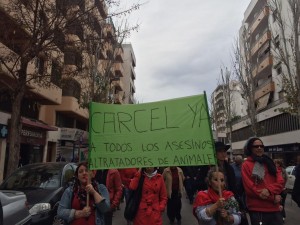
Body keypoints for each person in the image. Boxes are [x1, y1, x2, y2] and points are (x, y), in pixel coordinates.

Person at [242, 137, 284, 225]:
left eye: (261, 146)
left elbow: (280, 181)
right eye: (256, 146)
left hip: (274, 208)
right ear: (250, 148)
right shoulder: (246, 165)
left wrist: (269, 190)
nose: (259, 148)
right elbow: (251, 189)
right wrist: (273, 197)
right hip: (258, 210)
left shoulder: (270, 162)